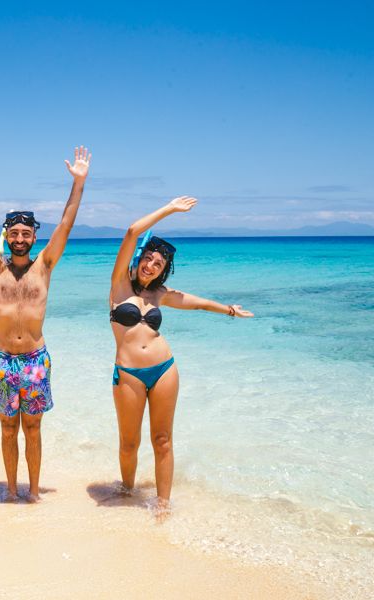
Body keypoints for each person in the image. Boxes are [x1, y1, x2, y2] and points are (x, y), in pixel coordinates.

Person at [0, 138, 90, 502]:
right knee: (7, 428)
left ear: (33, 237)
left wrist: (78, 182)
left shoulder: (44, 266)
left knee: (33, 428)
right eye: (13, 233)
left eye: (26, 233)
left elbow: (66, 222)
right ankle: (10, 492)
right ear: (7, 237)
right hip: (0, 360)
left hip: (34, 360)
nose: (19, 238)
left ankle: (32, 492)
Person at [109, 197, 253, 514]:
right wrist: (170, 210)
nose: (150, 265)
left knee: (162, 440)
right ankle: (127, 491)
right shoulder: (119, 285)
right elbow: (133, 231)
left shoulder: (160, 295)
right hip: (129, 374)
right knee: (129, 443)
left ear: (162, 271)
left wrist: (229, 310)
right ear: (139, 259)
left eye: (157, 264)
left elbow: (198, 302)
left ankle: (163, 505)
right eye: (147, 259)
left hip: (164, 370)